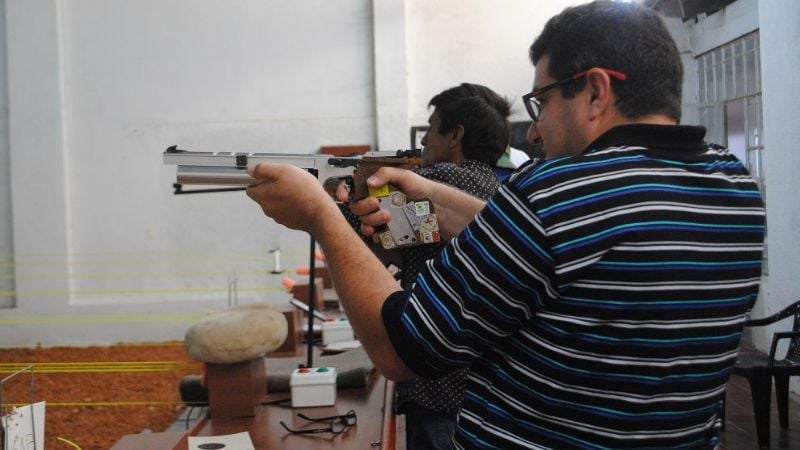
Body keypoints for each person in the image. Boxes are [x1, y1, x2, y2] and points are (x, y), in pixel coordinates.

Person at [245, 1, 765, 448]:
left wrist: (320, 217)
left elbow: (403, 348)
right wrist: (430, 195)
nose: (535, 131)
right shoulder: (731, 185)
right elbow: (561, 252)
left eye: (543, 100)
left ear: (596, 91)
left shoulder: (556, 191)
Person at [391, 83, 510, 449]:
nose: (423, 140)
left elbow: (384, 243)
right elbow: (408, 243)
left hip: (437, 382)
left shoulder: (439, 180)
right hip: (482, 385)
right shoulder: (499, 186)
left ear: (455, 135)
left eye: (431, 128)